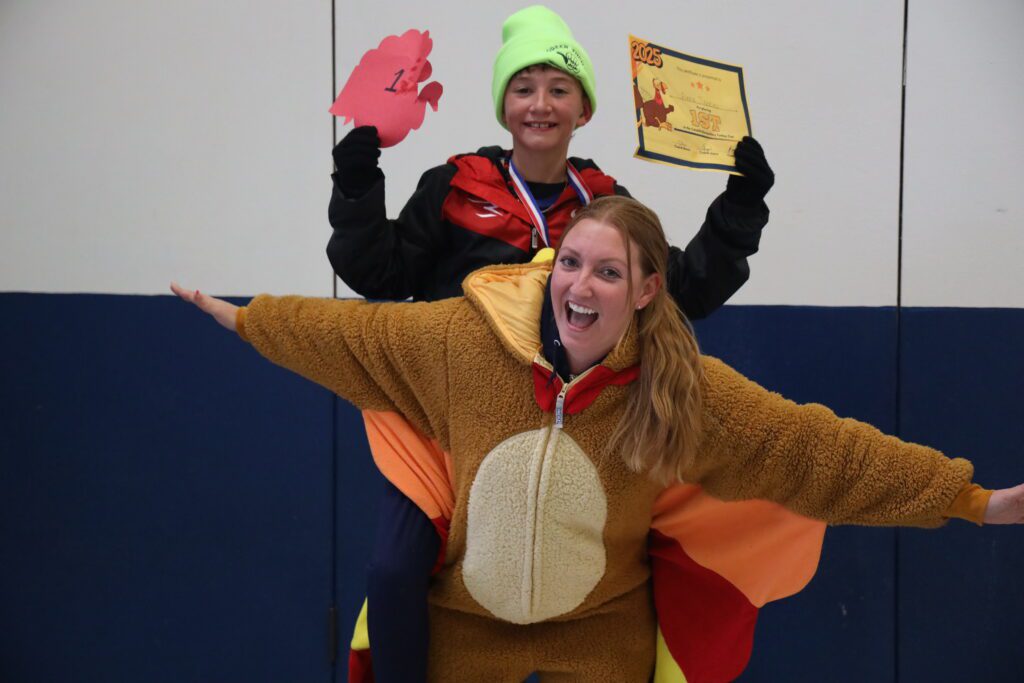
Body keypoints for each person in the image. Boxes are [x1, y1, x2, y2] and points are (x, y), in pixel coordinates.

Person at [172, 194, 1024, 683]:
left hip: (602, 628)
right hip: (469, 622)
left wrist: (971, 500)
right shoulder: (464, 343)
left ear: (648, 289)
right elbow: (348, 337)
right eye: (570, 263)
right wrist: (246, 319)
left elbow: (813, 450)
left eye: (608, 271)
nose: (580, 285)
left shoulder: (682, 393)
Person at [326, 6, 774, 679]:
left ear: (584, 109)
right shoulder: (453, 187)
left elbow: (679, 289)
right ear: (503, 104)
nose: (541, 103)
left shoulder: (602, 202)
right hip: (452, 429)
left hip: (576, 431)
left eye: (559, 88)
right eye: (524, 87)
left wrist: (740, 209)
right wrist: (358, 184)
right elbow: (376, 271)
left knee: (640, 565)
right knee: (393, 569)